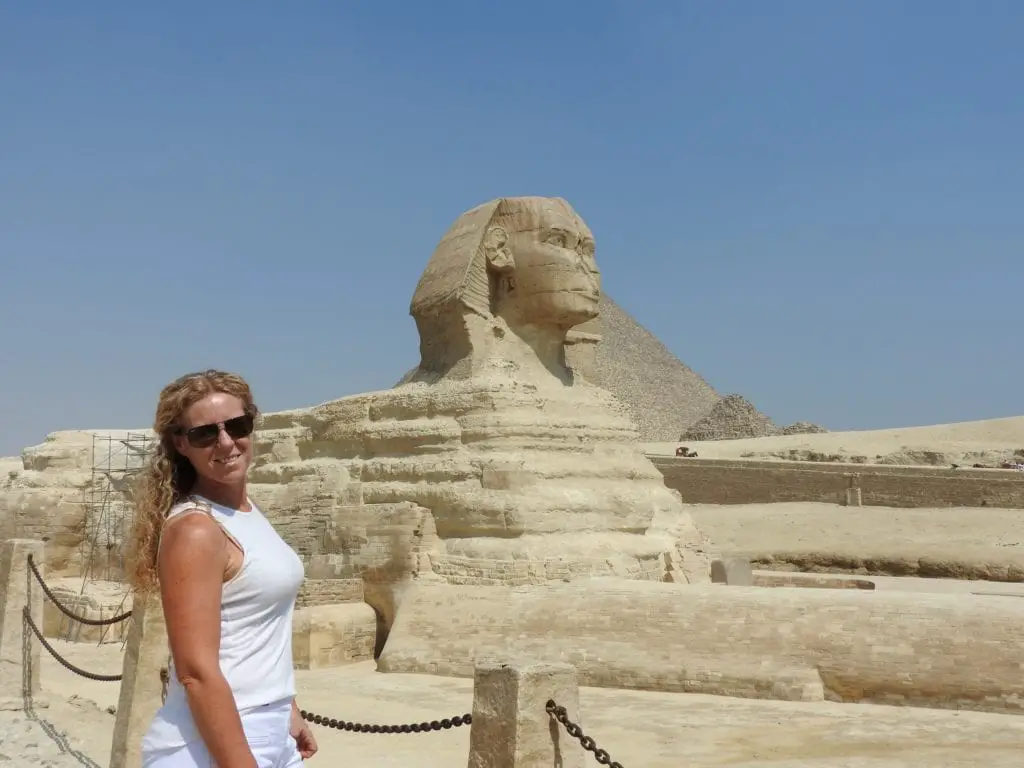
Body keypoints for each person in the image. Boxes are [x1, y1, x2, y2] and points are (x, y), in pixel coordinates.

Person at [127, 370, 317, 768]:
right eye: (205, 435)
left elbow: (256, 629)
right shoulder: (196, 529)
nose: (227, 442)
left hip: (268, 729)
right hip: (211, 744)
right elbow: (195, 671)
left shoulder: (245, 511)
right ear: (181, 443)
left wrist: (287, 706)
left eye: (237, 425)